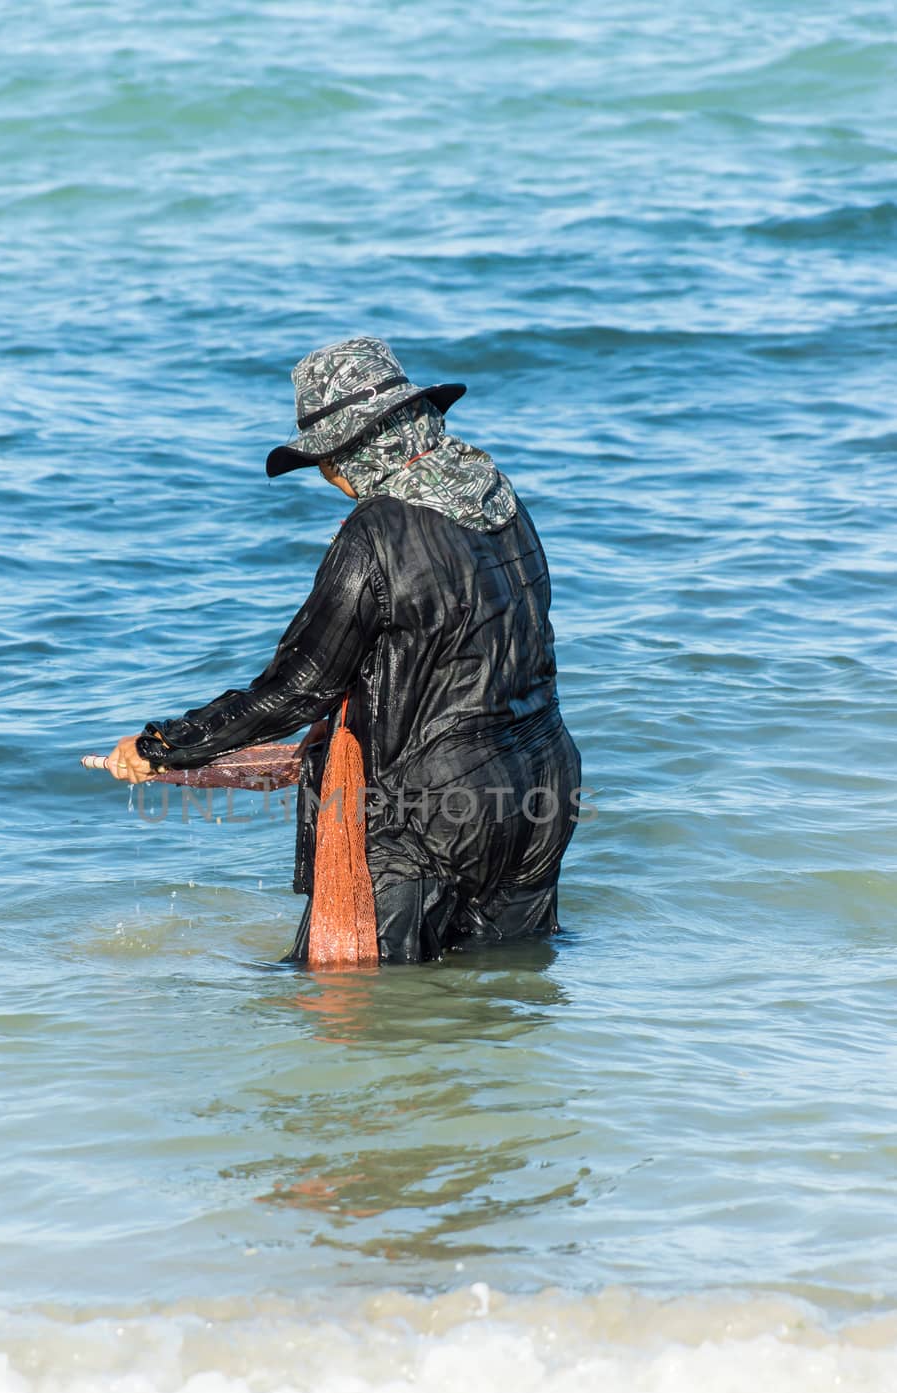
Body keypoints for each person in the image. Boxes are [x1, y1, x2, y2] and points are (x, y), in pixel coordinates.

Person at [104, 336, 582, 963]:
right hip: (543, 790)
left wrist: (163, 745)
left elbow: (300, 687)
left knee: (361, 1009)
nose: (331, 480)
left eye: (326, 462)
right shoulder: (496, 495)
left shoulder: (376, 532)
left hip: (430, 815)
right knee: (497, 997)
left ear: (351, 453)